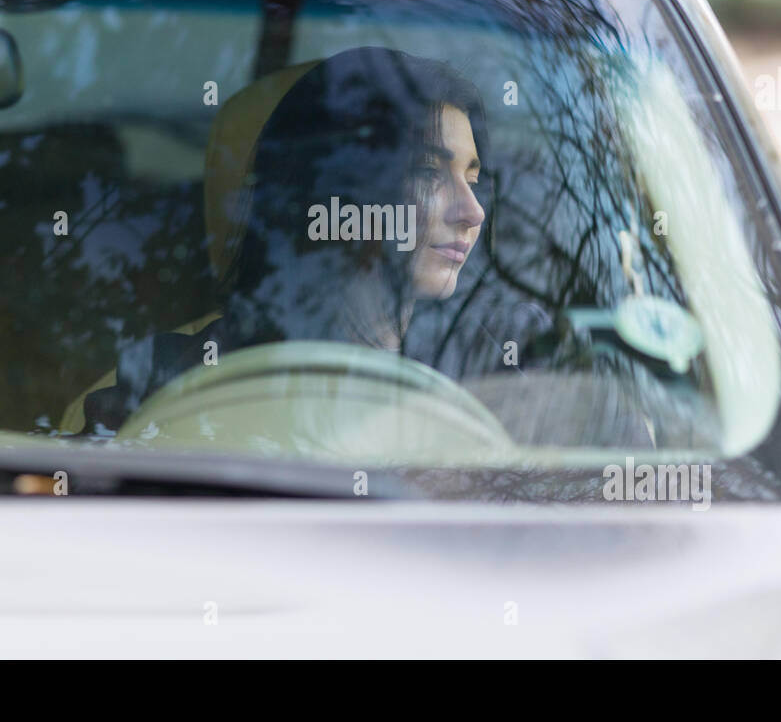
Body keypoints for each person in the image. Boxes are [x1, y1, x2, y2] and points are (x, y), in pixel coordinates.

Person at [82, 46, 490, 432]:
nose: (473, 212)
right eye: (428, 172)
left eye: (472, 179)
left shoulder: (490, 372)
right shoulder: (172, 382)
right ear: (338, 191)